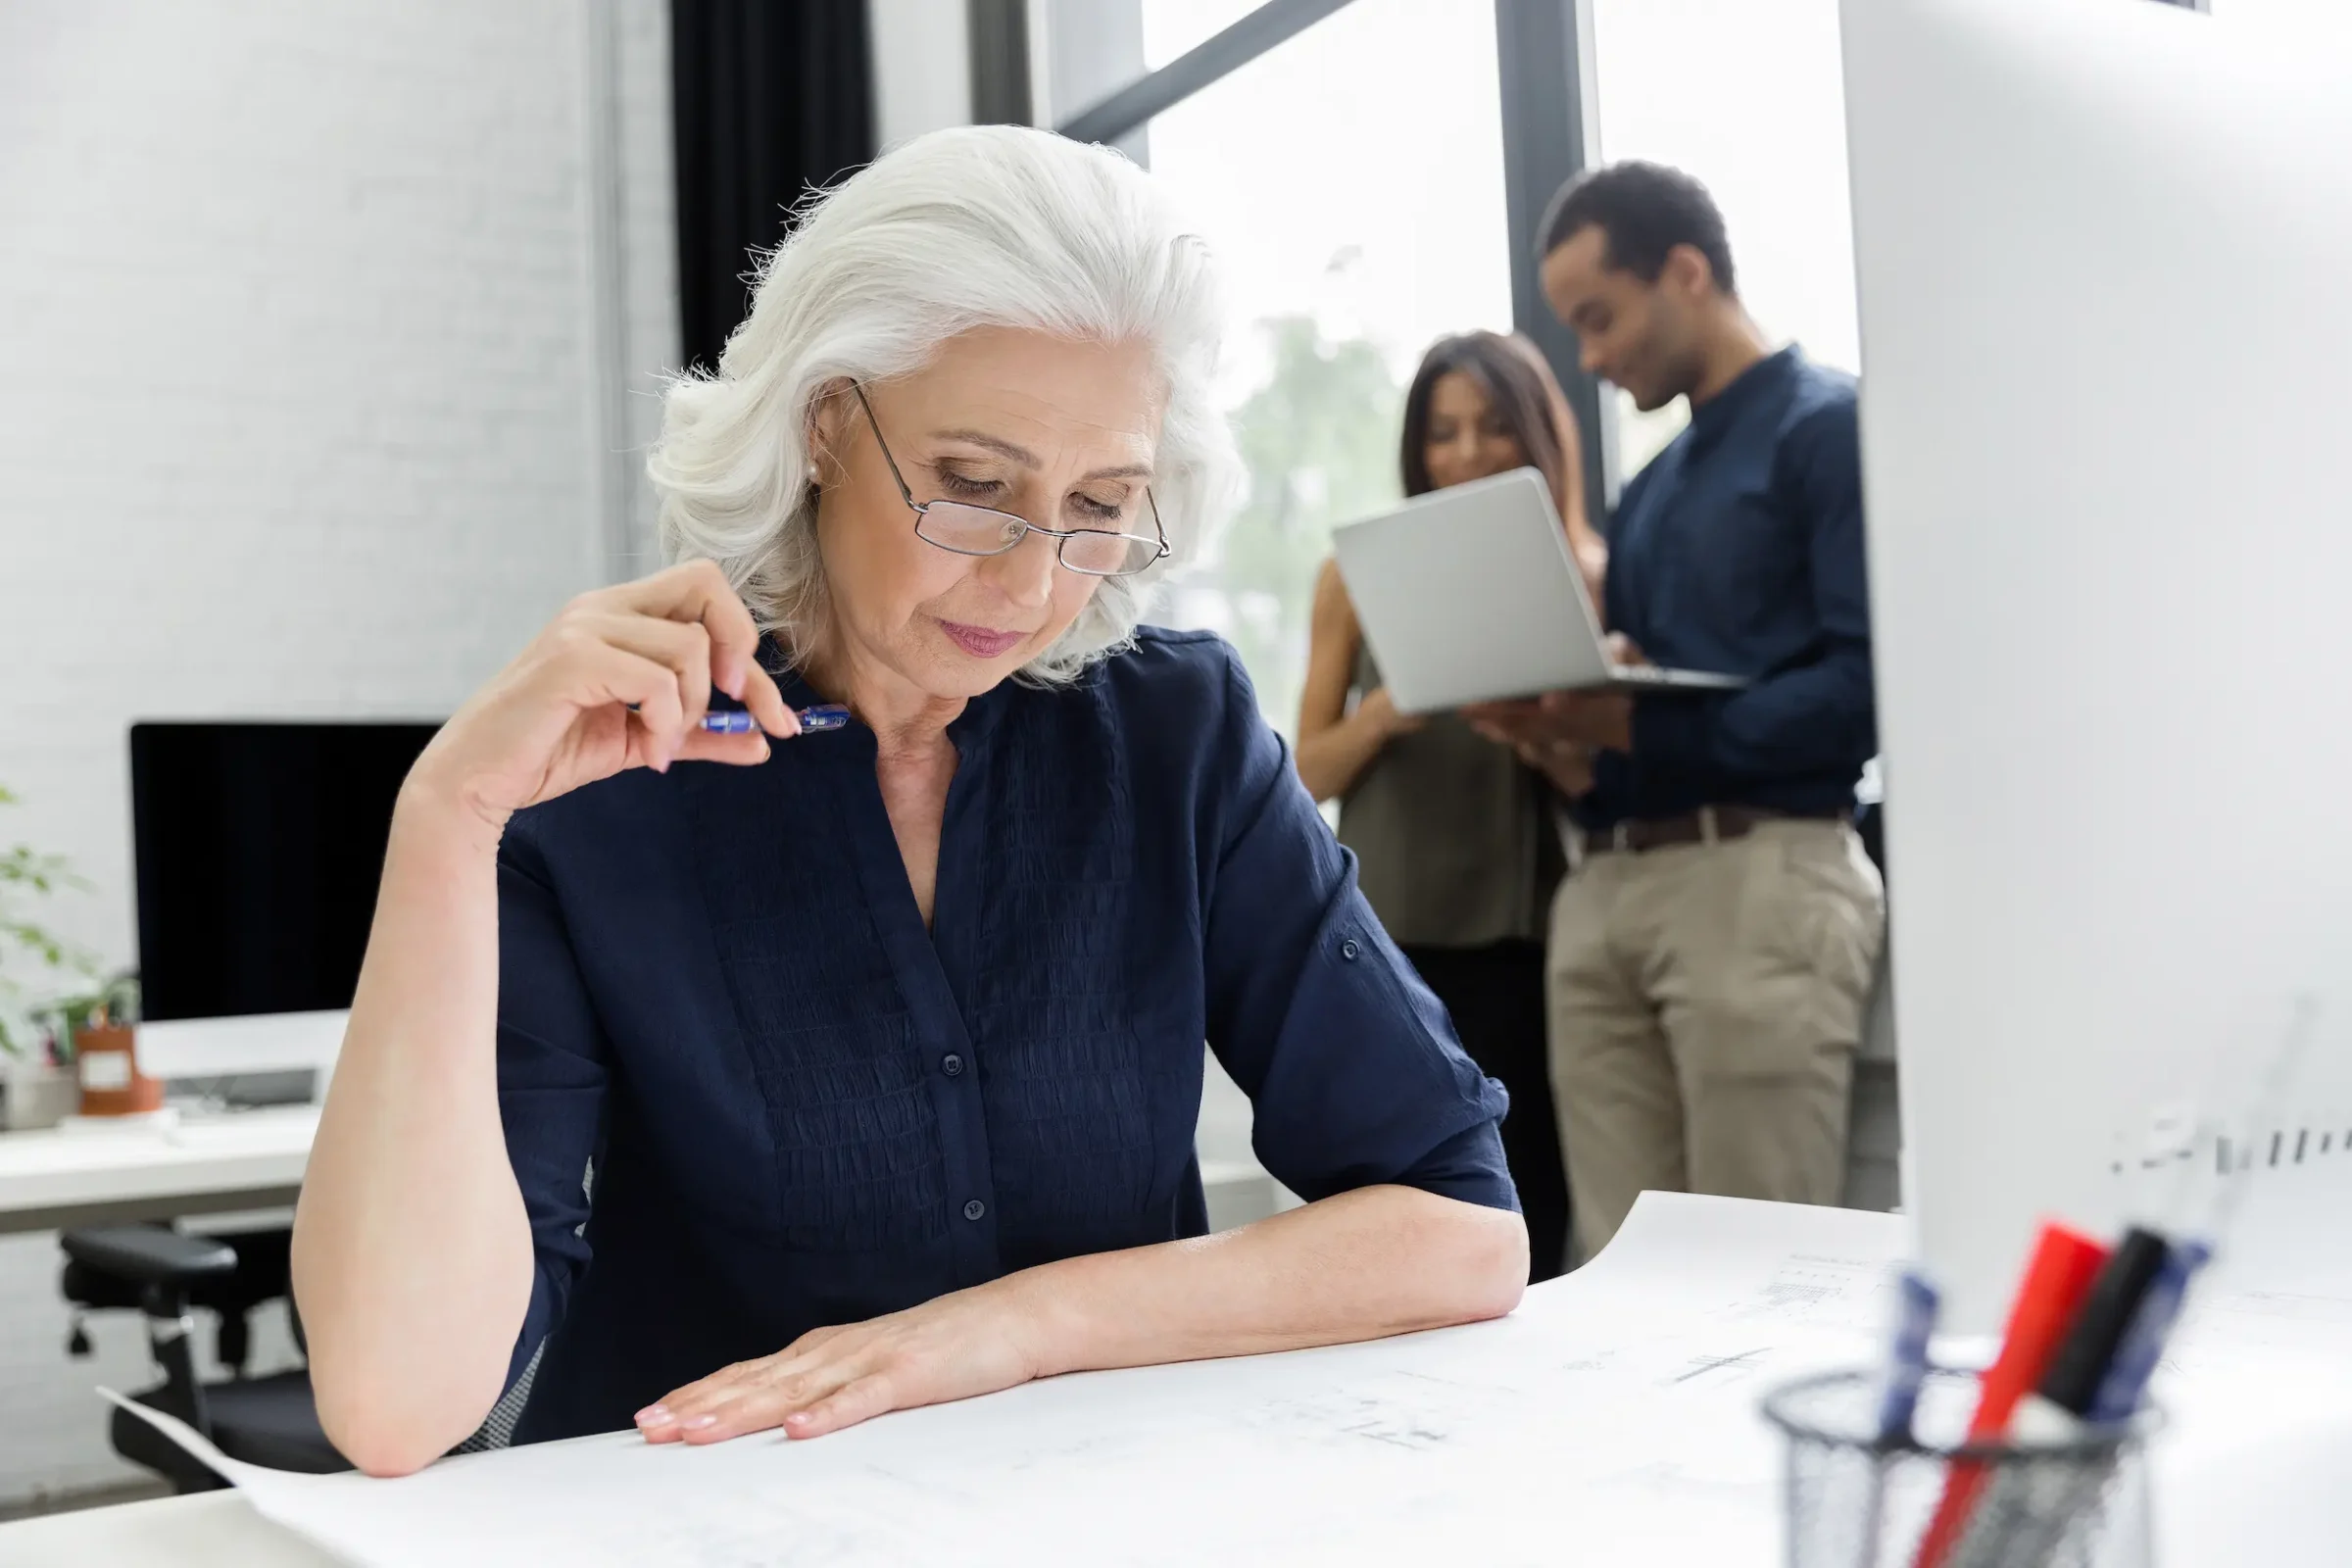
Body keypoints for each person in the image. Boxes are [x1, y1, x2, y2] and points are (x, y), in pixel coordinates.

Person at [288, 125, 1528, 1478]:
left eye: (1103, 503)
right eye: (974, 489)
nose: (1035, 581)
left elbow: (1459, 1228)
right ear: (824, 424)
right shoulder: (607, 779)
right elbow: (396, 1404)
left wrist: (1013, 1326)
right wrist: (446, 816)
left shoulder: (1175, 731)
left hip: (1094, 1516)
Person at [1469, 162, 1884, 1260]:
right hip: (1608, 892)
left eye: (1599, 320)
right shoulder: (1648, 495)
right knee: (1615, 1267)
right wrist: (1557, 731)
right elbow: (1630, 731)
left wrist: (1627, 726)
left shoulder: (1828, 432)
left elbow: (1866, 693)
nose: (1592, 359)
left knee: (1768, 1262)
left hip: (1760, 882)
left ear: (1686, 272)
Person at [1293, 331, 1600, 1283]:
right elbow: (1306, 770)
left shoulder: (1583, 567)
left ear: (1540, 436)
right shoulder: (1357, 575)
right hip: (1389, 935)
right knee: (1395, 1198)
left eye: (1494, 428)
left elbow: (1601, 775)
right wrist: (1388, 712)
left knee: (1529, 1204)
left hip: (1525, 935)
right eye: (1444, 431)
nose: (1466, 454)